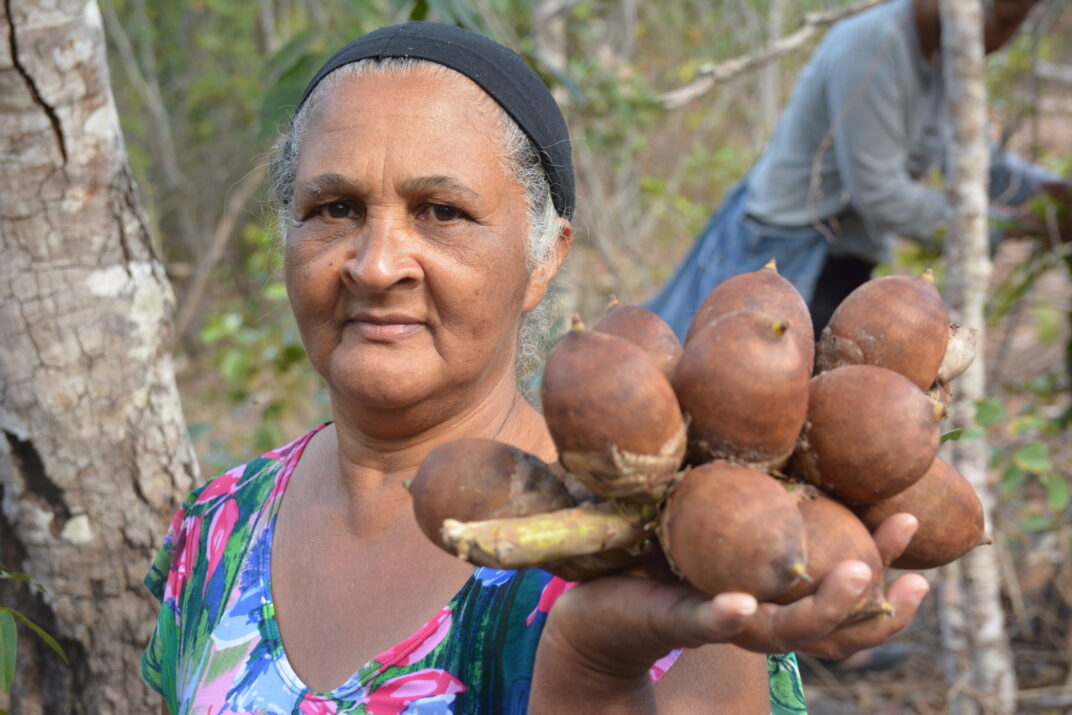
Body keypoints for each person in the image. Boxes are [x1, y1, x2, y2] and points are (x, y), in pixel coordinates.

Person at [141, 22, 928, 714]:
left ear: (545, 256)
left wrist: (596, 660)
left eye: (440, 212)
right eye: (334, 208)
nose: (376, 264)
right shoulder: (216, 527)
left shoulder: (672, 540)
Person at [647, 0, 1071, 340]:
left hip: (845, 257)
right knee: (739, 386)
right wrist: (1010, 227)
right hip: (786, 250)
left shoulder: (948, 59)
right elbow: (880, 193)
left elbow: (979, 162)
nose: (1006, 41)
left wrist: (1052, 193)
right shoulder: (873, 46)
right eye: (1007, 21)